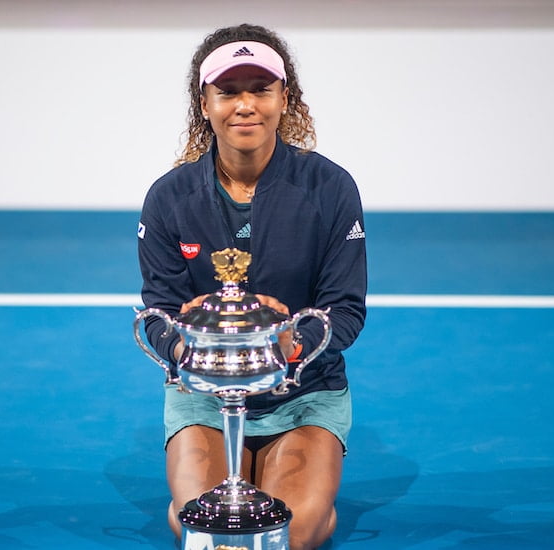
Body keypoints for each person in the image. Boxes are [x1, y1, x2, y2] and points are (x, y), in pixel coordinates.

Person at [137, 23, 367, 550]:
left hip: (305, 395)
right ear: (205, 102)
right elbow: (157, 315)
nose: (245, 105)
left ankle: (312, 502)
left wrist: (293, 343)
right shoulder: (168, 198)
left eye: (260, 89)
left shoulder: (331, 188)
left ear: (285, 99)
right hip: (204, 399)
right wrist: (190, 343)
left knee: (290, 534)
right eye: (228, 91)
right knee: (212, 534)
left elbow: (346, 310)